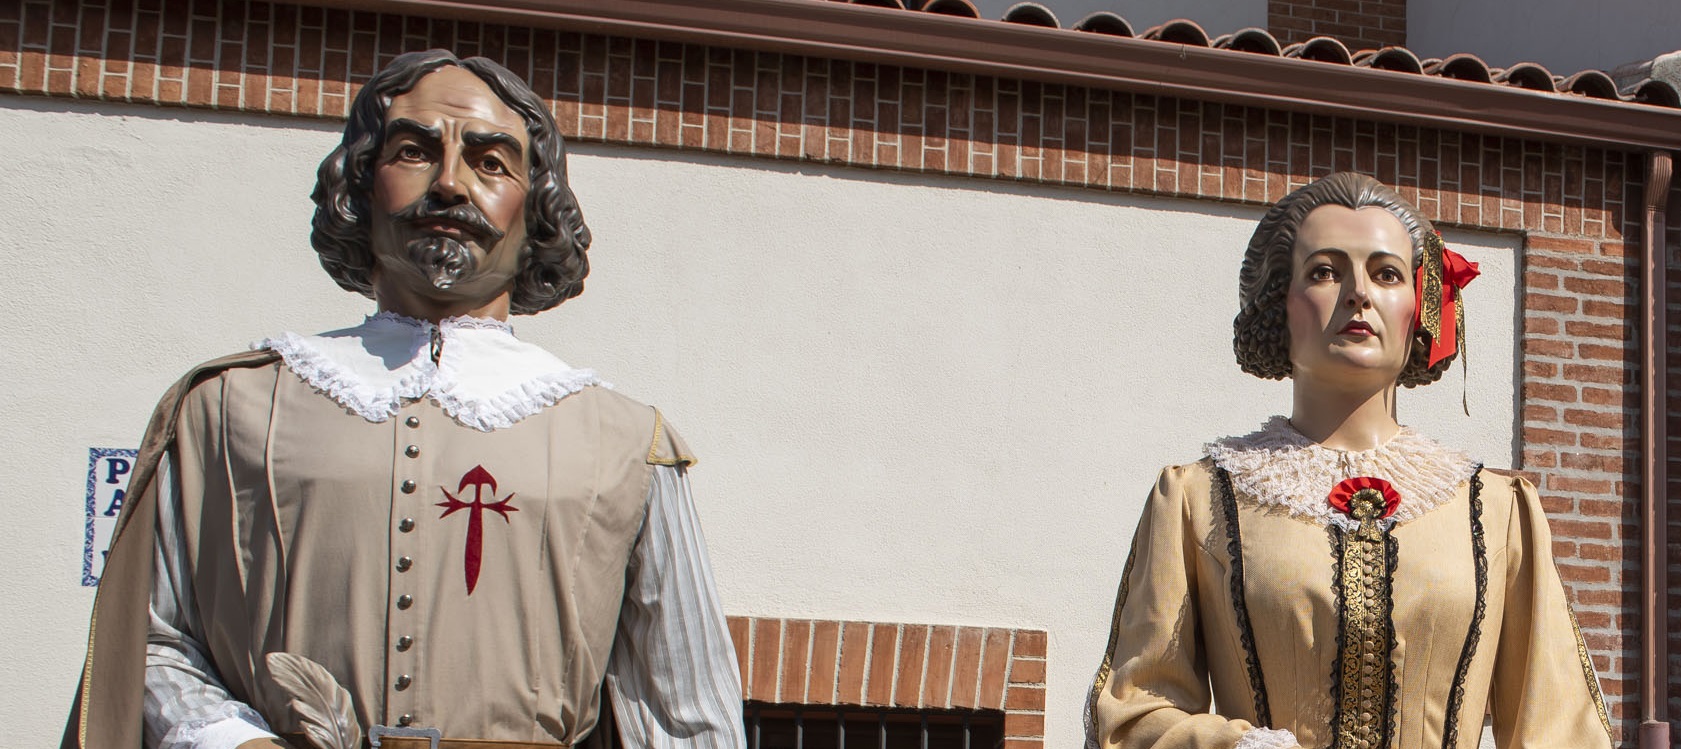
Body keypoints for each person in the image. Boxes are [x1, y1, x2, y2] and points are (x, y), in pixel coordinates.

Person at [63, 49, 746, 749]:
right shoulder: (226, 408)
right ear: (360, 188)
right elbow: (147, 639)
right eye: (414, 152)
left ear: (538, 208)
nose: (449, 184)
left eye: (490, 161)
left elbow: (686, 712)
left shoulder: (628, 443)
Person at [1085, 173, 1614, 749]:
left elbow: (1563, 731)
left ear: (1419, 307)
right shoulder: (1196, 500)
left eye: (1386, 273)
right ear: (1280, 303)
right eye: (1324, 271)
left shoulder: (1497, 511)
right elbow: (1132, 717)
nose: (1358, 292)